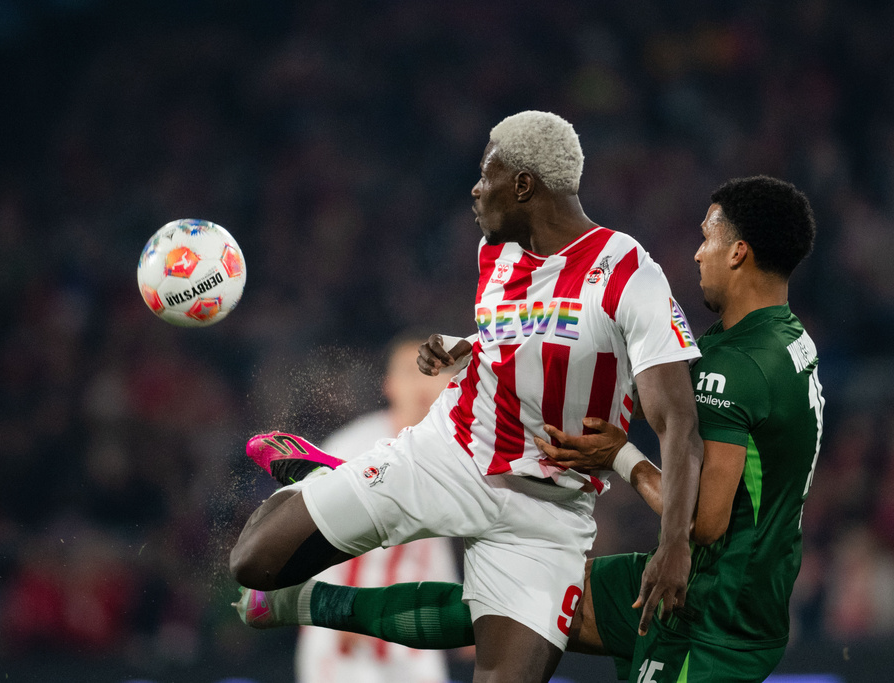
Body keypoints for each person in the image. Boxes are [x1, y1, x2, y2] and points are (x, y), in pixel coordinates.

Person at [235, 176, 822, 683]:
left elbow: (703, 523)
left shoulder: (739, 367)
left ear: (739, 252)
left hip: (716, 616)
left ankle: (335, 512)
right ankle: (300, 596)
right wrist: (498, 359)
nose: (697, 254)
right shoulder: (782, 342)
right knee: (516, 606)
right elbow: (667, 398)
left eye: (707, 238)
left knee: (513, 605)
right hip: (740, 590)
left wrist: (623, 458)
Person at [296, 332, 460, 683]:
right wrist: (336, 608)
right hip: (347, 640)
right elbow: (307, 533)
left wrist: (461, 608)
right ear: (389, 386)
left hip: (412, 639)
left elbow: (432, 546)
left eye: (435, 371)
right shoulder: (352, 449)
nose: (425, 383)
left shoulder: (452, 455)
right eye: (411, 371)